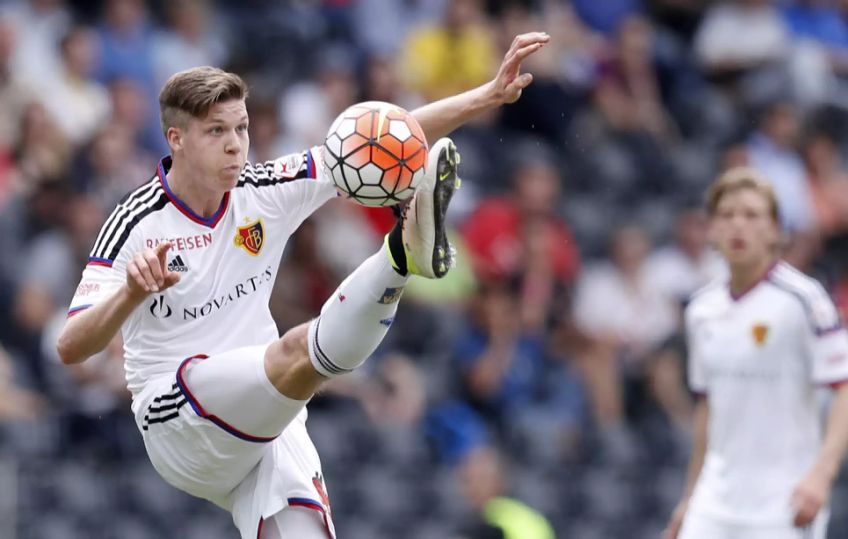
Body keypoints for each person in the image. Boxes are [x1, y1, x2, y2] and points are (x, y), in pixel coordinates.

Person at [56, 32, 551, 539]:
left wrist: (486, 95)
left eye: (242, 128)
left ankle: (402, 258)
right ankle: (400, 253)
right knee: (293, 350)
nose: (235, 144)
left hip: (267, 420)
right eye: (216, 131)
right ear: (176, 139)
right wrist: (130, 295)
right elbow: (72, 347)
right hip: (178, 417)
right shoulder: (136, 222)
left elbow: (376, 145)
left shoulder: (263, 189)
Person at [665, 167, 848, 539]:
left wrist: (821, 476)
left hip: (784, 504)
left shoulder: (805, 300)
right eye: (726, 215)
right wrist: (689, 499)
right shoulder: (701, 311)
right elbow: (709, 409)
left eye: (751, 215)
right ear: (711, 229)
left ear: (775, 230)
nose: (738, 226)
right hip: (714, 505)